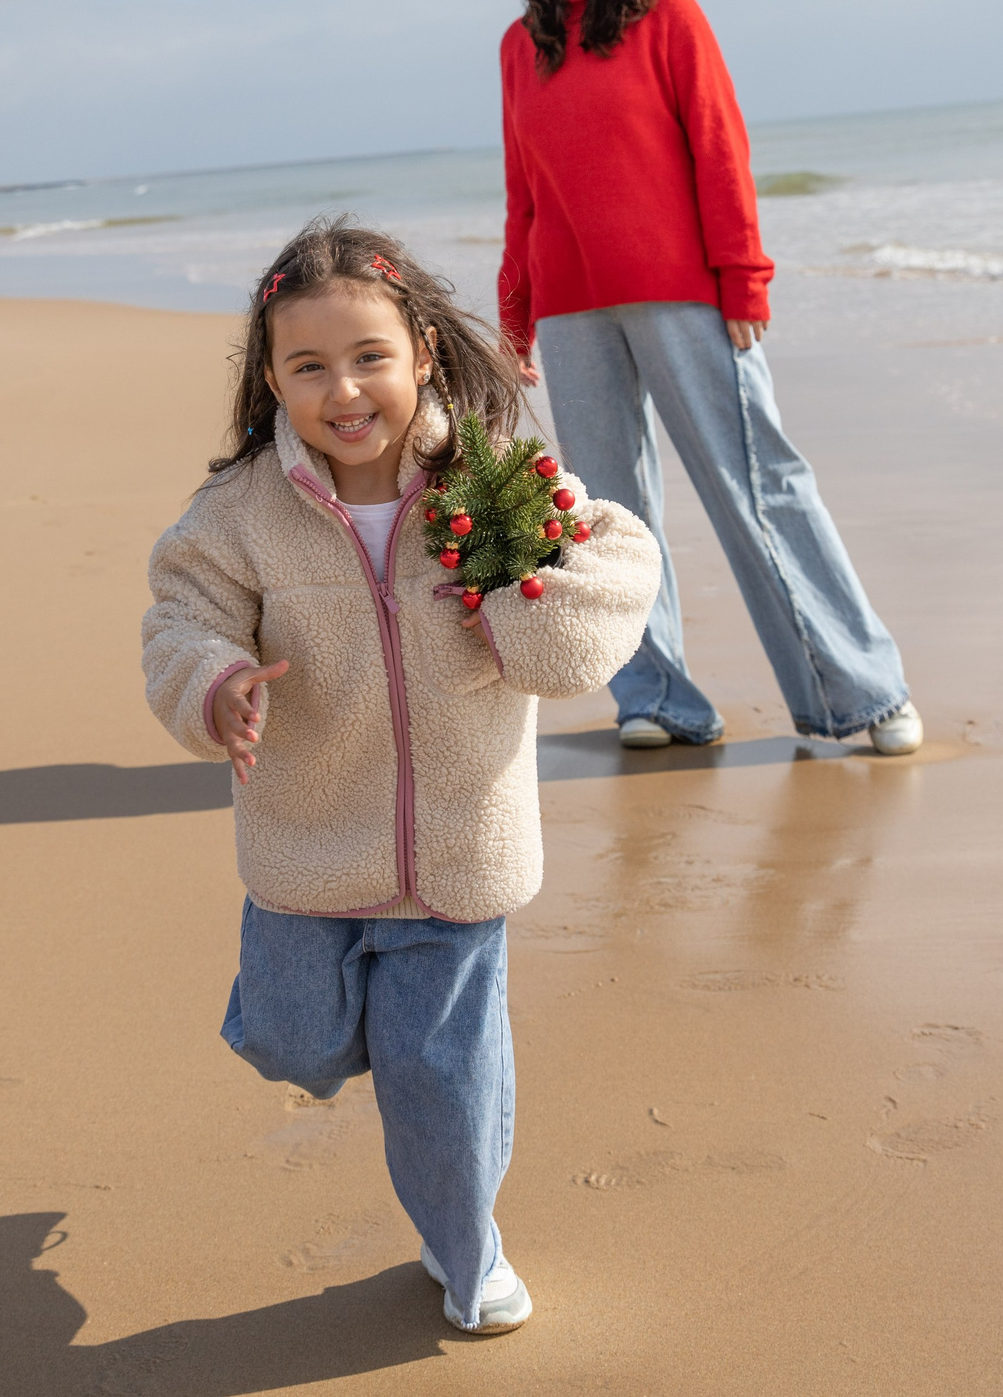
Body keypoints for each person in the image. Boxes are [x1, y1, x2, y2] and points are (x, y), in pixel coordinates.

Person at [143, 218, 660, 1336]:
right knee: (294, 1041)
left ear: (422, 348)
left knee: (439, 1076)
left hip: (459, 855)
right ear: (270, 377)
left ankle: (465, 1252)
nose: (344, 390)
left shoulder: (490, 481)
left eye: (369, 356)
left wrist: (537, 602)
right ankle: (382, 1042)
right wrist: (219, 681)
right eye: (309, 366)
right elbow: (181, 616)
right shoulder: (240, 515)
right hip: (306, 841)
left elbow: (619, 552)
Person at [497, 0, 922, 757]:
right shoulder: (519, 44)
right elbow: (523, 189)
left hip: (681, 293)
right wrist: (517, 307)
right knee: (608, 516)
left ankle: (864, 691)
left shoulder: (666, 12)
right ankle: (657, 698)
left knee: (756, 487)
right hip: (574, 307)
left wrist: (743, 277)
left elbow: (718, 147)